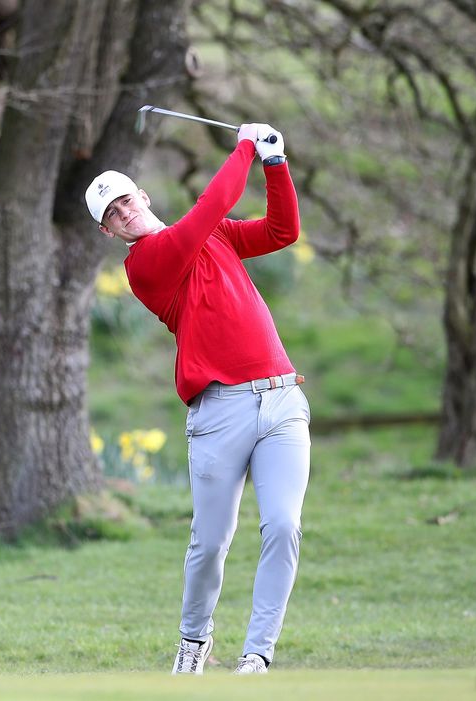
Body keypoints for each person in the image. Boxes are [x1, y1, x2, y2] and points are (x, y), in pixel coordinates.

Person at [84, 124, 309, 675]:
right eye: (111, 215)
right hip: (219, 412)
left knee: (282, 526)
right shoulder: (145, 265)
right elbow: (210, 206)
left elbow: (283, 231)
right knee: (210, 543)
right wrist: (245, 149)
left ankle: (257, 653)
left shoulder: (220, 236)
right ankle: (194, 639)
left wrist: (276, 166)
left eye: (125, 201)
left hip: (281, 402)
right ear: (110, 233)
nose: (123, 214)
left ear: (144, 196)